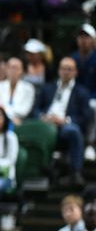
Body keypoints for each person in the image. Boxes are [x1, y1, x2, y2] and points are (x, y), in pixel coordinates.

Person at [37, 57, 92, 187]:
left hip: (65, 126)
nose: (66, 72)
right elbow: (35, 108)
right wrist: (43, 117)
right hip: (45, 125)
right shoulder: (48, 88)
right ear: (58, 70)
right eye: (63, 68)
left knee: (73, 131)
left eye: (69, 69)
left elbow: (86, 116)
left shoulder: (82, 92)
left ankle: (76, 173)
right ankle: (44, 171)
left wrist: (65, 120)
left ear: (75, 72)